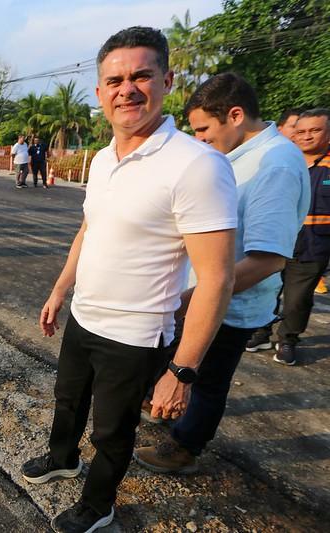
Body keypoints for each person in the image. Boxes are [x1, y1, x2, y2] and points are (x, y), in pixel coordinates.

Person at [20, 27, 237, 533]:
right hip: (85, 317)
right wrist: (59, 291)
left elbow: (217, 279)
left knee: (113, 432)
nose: (127, 89)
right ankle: (61, 459)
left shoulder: (196, 165)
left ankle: (98, 507)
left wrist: (181, 372)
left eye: (141, 75)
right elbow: (89, 229)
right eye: (114, 80)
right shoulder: (101, 160)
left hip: (135, 335)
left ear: (167, 80)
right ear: (99, 93)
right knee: (67, 401)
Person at [133, 73, 309, 474]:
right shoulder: (237, 154)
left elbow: (268, 259)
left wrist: (191, 299)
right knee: (176, 362)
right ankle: (165, 408)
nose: (199, 139)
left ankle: (184, 447)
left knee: (205, 379)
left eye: (203, 130)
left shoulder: (276, 164)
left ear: (235, 115)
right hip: (202, 292)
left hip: (229, 303)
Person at [248, 108, 330, 365]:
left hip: (313, 245)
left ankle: (287, 340)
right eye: (301, 131)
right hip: (275, 242)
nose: (306, 136)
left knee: (297, 300)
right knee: (264, 290)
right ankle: (260, 332)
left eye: (315, 130)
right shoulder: (280, 159)